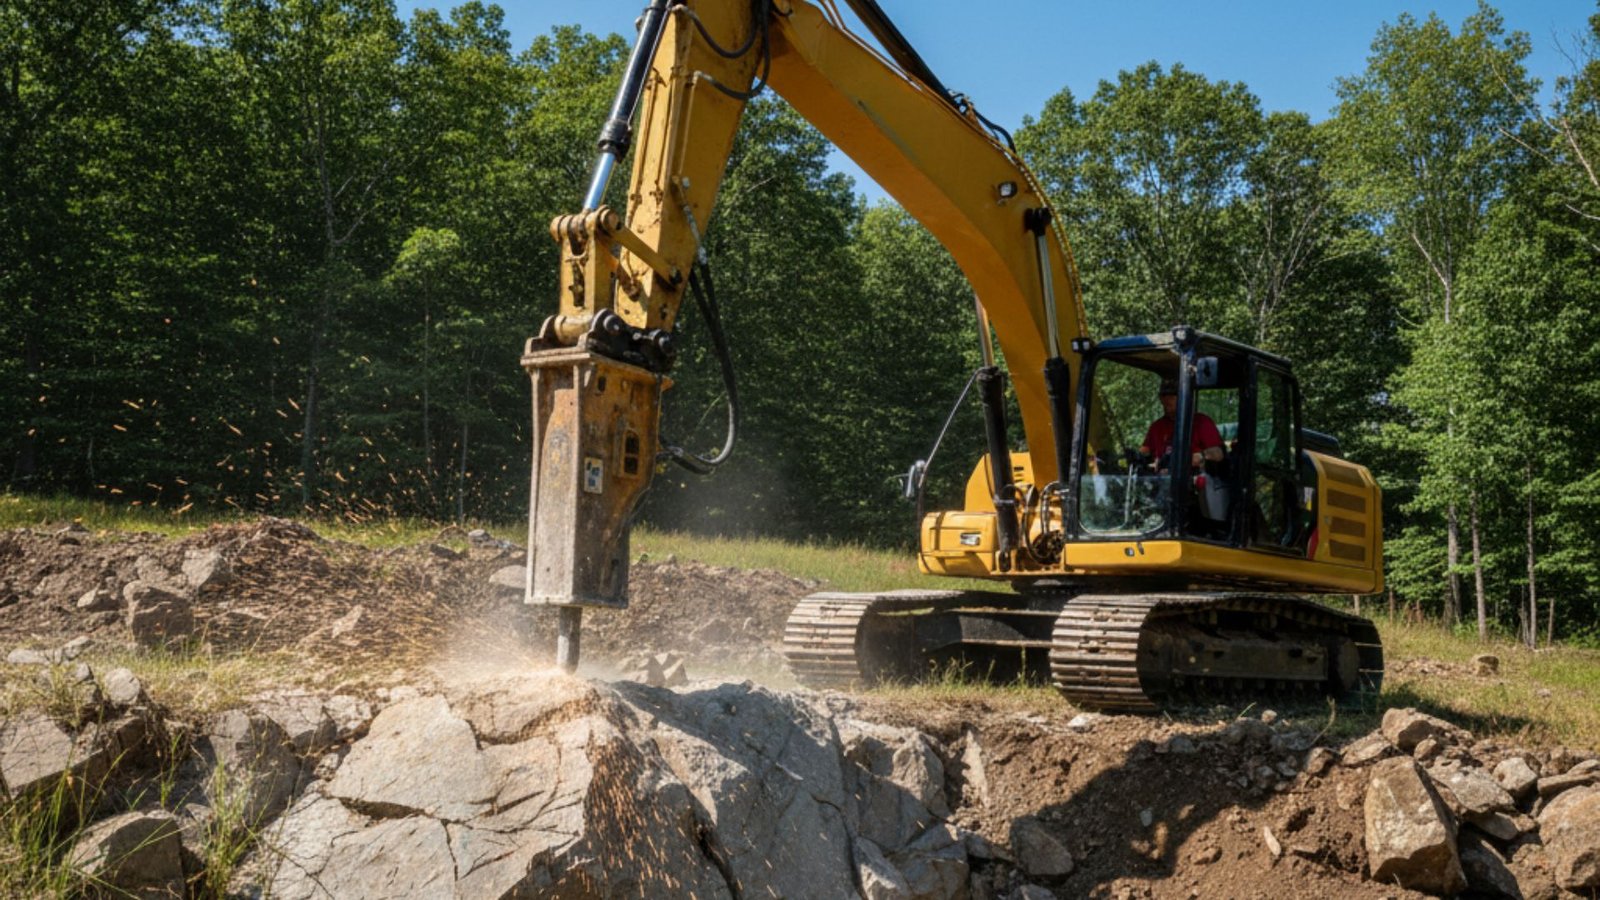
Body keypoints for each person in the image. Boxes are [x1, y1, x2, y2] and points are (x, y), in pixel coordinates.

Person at [1141, 377, 1224, 472]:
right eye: (1164, 395)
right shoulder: (1156, 427)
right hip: (1162, 480)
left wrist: (1200, 456)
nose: (1167, 399)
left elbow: (1218, 453)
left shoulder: (1201, 422)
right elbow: (1145, 452)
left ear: (1184, 397)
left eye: (1172, 395)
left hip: (1192, 479)